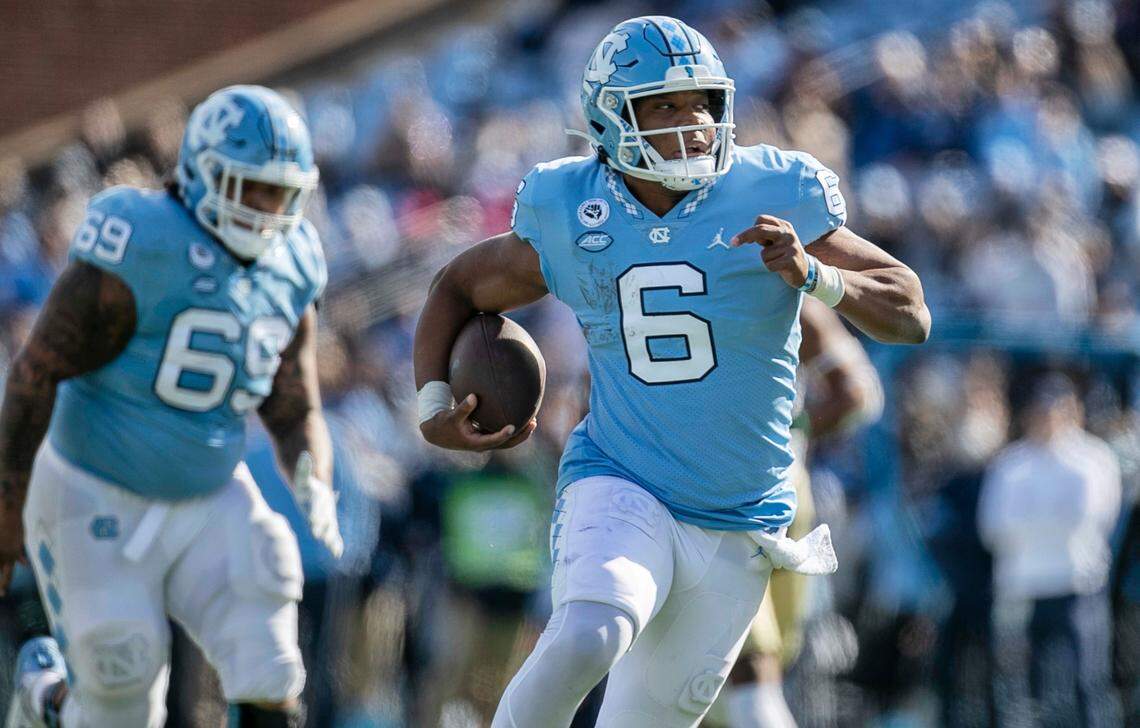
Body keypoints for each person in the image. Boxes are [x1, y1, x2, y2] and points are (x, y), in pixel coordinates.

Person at [413, 16, 930, 728]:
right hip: (623, 476)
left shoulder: (773, 190)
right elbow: (456, 287)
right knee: (589, 634)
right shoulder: (571, 205)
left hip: (739, 514)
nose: (691, 123)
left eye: (702, 103)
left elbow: (910, 311)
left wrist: (817, 276)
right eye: (663, 105)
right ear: (610, 116)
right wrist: (432, 400)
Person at [0, 85, 343, 728]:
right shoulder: (142, 238)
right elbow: (35, 373)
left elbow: (295, 406)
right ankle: (44, 700)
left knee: (269, 642)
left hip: (208, 492)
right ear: (203, 173)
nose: (268, 211)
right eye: (252, 189)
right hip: (93, 487)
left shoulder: (293, 264)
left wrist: (312, 476)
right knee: (123, 692)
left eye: (281, 193)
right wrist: (5, 506)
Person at [715, 297, 884, 728]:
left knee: (746, 671)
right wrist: (791, 433)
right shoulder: (795, 301)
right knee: (755, 669)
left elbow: (859, 396)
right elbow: (859, 396)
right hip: (789, 489)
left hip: (722, 493)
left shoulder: (792, 304)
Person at [978, 372, 1122, 726]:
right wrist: (1047, 521)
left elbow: (1087, 518)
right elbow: (994, 527)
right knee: (1020, 690)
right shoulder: (1010, 464)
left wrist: (1030, 524)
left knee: (1086, 681)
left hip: (1076, 587)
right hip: (1023, 589)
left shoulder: (1093, 458)